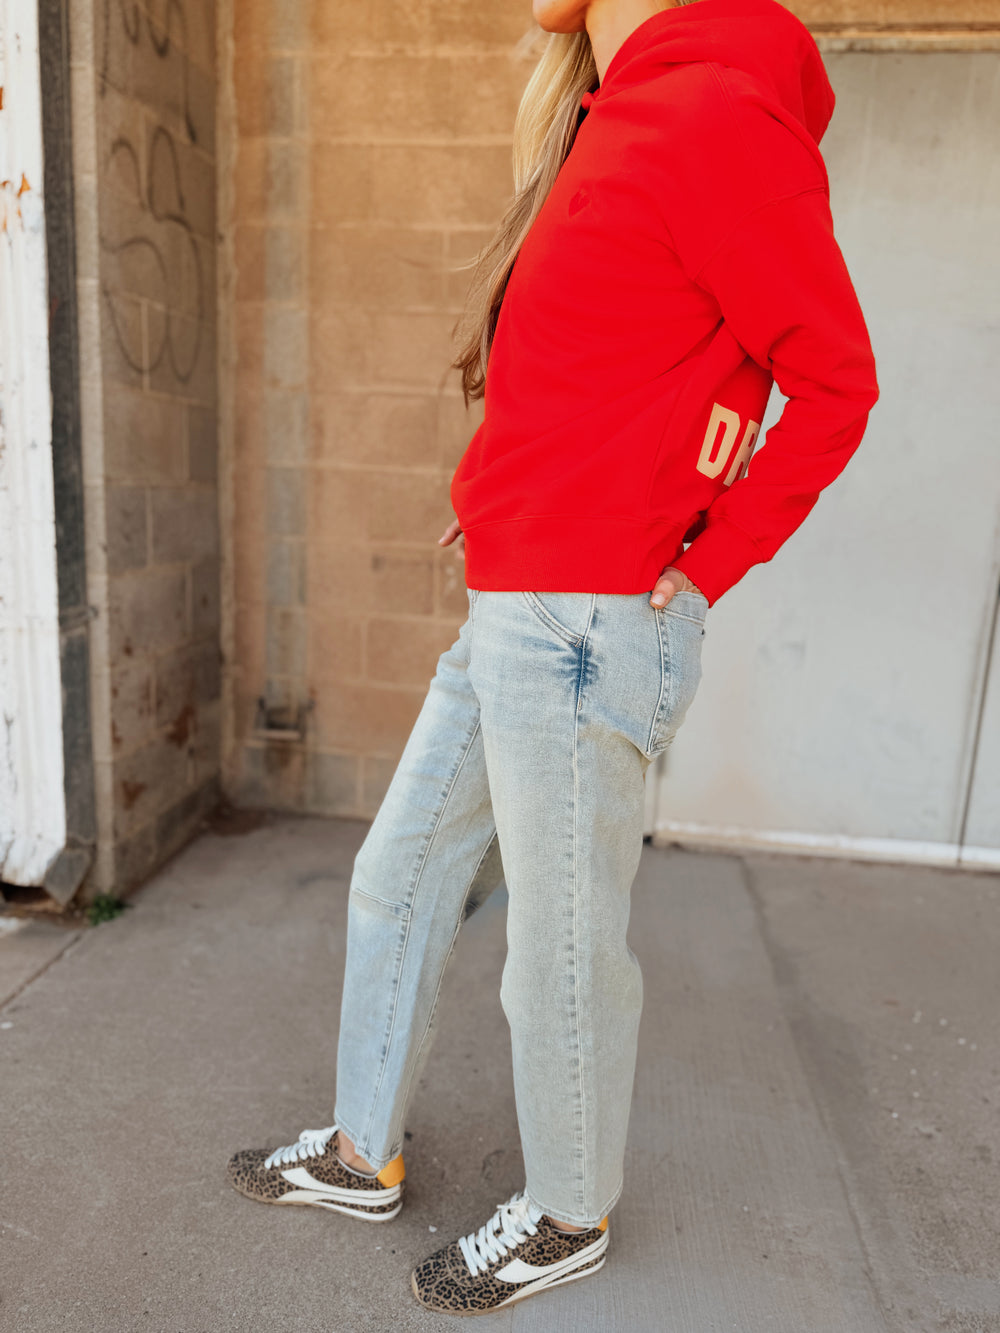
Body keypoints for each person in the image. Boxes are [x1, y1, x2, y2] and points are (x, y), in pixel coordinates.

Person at [226, 0, 879, 1315]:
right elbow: (591, 374)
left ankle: (568, 1210)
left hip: (586, 622)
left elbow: (834, 379)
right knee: (400, 871)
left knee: (560, 954)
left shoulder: (716, 116)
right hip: (515, 603)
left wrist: (708, 560)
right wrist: (509, 512)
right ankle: (361, 1150)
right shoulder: (609, 117)